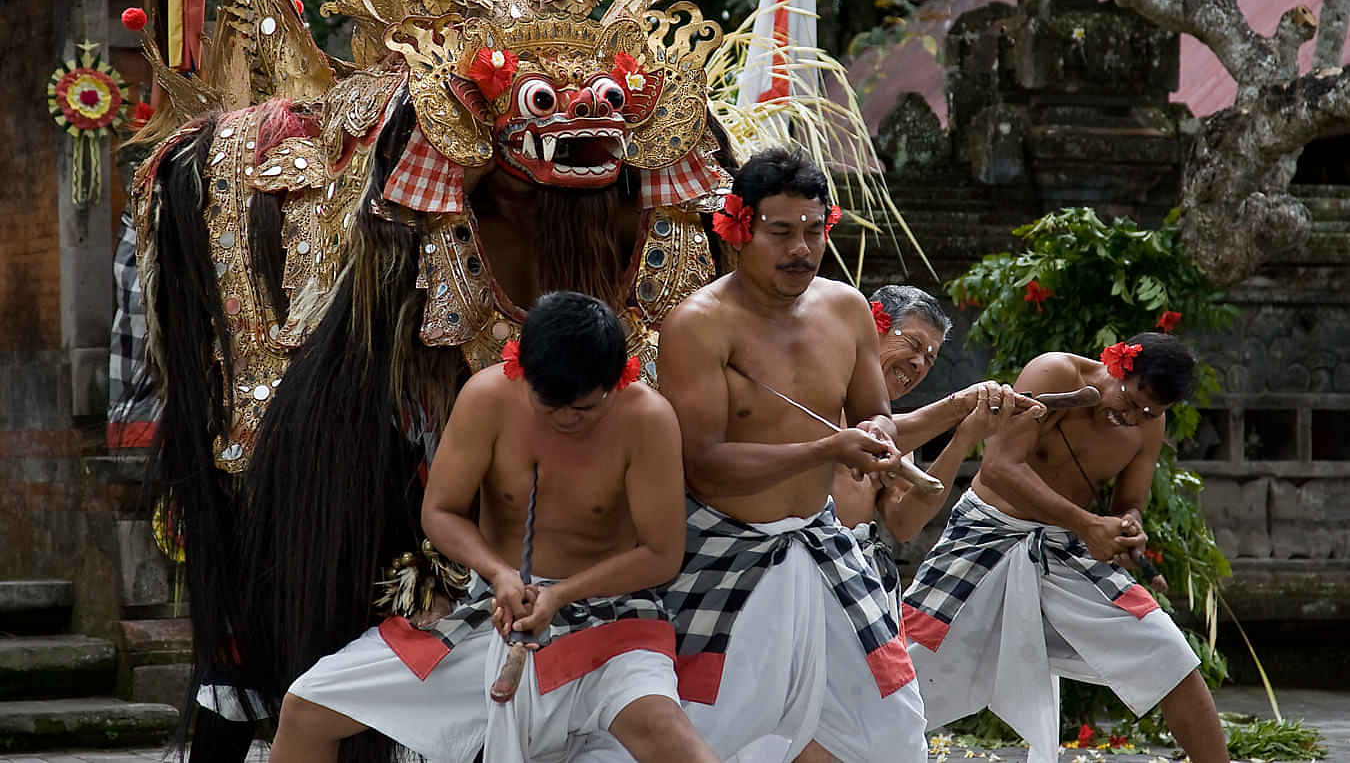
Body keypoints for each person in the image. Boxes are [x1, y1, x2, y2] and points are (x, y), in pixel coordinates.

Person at [268, 292, 720, 763]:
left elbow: (660, 553)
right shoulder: (487, 398)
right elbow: (439, 511)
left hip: (611, 619)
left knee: (671, 742)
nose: (567, 418)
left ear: (616, 382)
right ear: (521, 369)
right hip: (492, 610)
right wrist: (501, 574)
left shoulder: (647, 419)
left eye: (583, 409)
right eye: (552, 405)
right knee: (307, 707)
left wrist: (560, 596)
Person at [643, 146, 929, 762]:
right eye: (780, 232)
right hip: (725, 547)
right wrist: (826, 447)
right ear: (739, 230)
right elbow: (703, 462)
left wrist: (877, 436)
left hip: (823, 543)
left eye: (812, 229)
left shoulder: (847, 308)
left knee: (894, 726)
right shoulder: (699, 324)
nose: (801, 248)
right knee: (705, 730)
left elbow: (874, 409)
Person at [902, 333, 1230, 763]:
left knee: (1169, 653)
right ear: (1118, 365)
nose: (1133, 418)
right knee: (902, 666)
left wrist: (1128, 526)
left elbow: (1130, 500)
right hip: (984, 534)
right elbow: (999, 467)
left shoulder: (1148, 424)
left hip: (1064, 548)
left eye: (1149, 413)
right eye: (1131, 402)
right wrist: (1088, 524)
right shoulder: (1055, 372)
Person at [827, 286, 1041, 616]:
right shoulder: (821, 393)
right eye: (913, 344)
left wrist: (964, 438)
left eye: (930, 358)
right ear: (872, 329)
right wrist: (960, 405)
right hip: (803, 560)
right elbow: (859, 436)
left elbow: (905, 523)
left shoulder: (895, 434)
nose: (918, 364)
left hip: (856, 574)